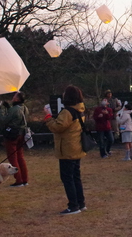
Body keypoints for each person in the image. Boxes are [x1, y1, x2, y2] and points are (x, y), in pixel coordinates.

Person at [45, 85, 87, 215]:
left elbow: (58, 127)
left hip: (67, 148)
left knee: (67, 178)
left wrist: (48, 118)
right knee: (76, 177)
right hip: (77, 147)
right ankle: (80, 203)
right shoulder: (80, 110)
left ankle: (73, 206)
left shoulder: (67, 112)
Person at [0, 91, 29, 187]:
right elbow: (17, 117)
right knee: (20, 157)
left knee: (12, 158)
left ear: (17, 99)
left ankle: (18, 180)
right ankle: (24, 179)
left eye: (14, 96)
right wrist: (8, 108)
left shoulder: (14, 109)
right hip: (22, 134)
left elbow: (3, 120)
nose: (12, 97)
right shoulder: (25, 108)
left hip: (12, 135)